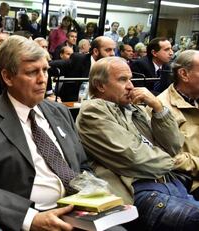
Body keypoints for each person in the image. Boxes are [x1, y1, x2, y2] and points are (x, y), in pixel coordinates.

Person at [0, 35, 90, 231]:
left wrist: (100, 197)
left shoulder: (59, 111)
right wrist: (30, 219)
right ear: (8, 77)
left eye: (45, 70)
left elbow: (82, 164)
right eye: (32, 72)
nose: (43, 79)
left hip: (80, 211)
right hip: (34, 217)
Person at [75, 56, 199, 231]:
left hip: (170, 184)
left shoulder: (135, 109)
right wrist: (172, 163)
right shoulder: (94, 111)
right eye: (122, 80)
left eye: (130, 79)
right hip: (138, 191)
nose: (131, 86)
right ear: (100, 85)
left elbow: (173, 145)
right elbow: (133, 158)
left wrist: (158, 108)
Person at [157, 50, 199, 200]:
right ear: (184, 74)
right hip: (188, 182)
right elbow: (167, 157)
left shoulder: (194, 98)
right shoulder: (161, 109)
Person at [51, 36, 116, 101]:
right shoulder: (78, 60)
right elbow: (48, 67)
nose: (113, 54)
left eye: (114, 50)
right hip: (73, 105)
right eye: (108, 50)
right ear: (96, 51)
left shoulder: (113, 66)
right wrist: (49, 94)